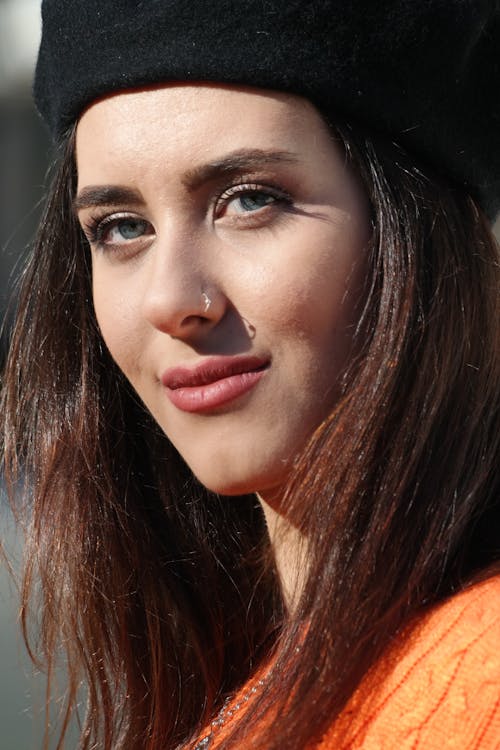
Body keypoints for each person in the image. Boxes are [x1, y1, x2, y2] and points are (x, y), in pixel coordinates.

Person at [1, 1, 499, 748]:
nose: (172, 300)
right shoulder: (252, 678)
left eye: (250, 201)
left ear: (414, 225)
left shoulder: (473, 684)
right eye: (121, 227)